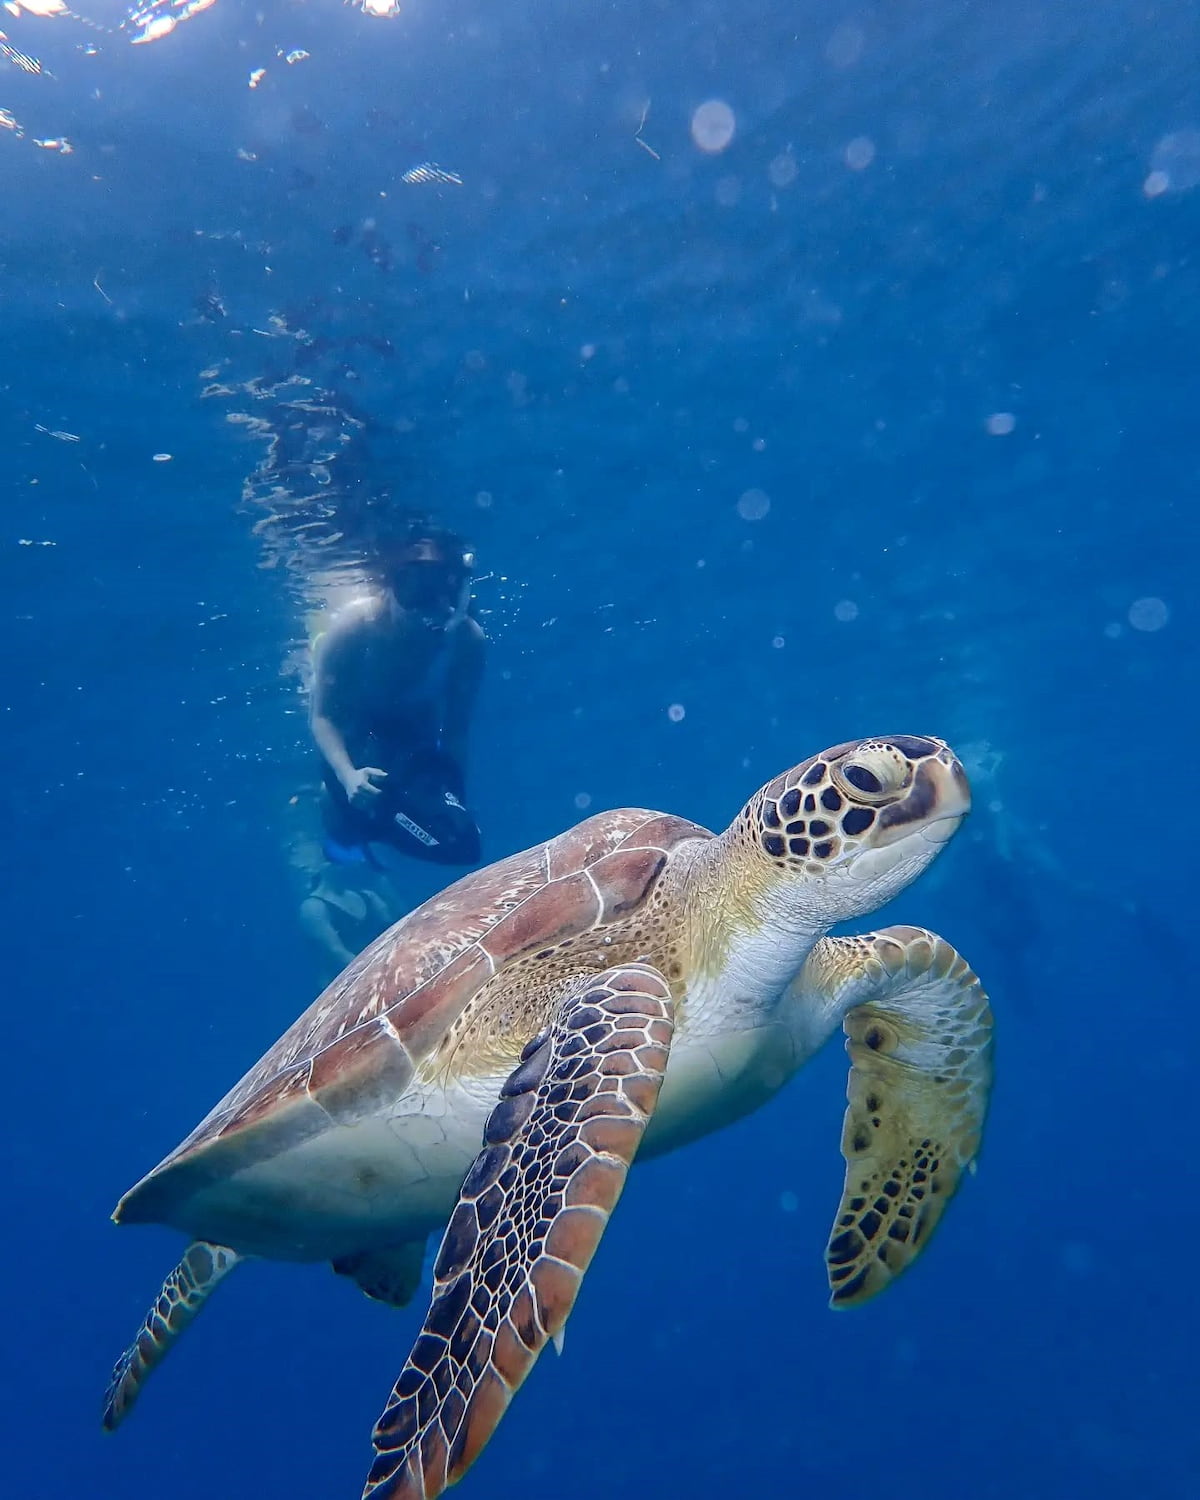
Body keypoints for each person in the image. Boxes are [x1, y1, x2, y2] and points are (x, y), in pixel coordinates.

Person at [297, 522, 485, 970]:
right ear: (390, 587)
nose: (428, 611)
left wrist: (457, 800)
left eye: (442, 591)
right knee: (349, 826)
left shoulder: (467, 641)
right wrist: (347, 777)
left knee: (461, 846)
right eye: (414, 588)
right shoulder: (353, 628)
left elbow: (456, 730)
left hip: (414, 742)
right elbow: (321, 716)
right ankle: (342, 851)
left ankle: (371, 851)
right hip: (355, 740)